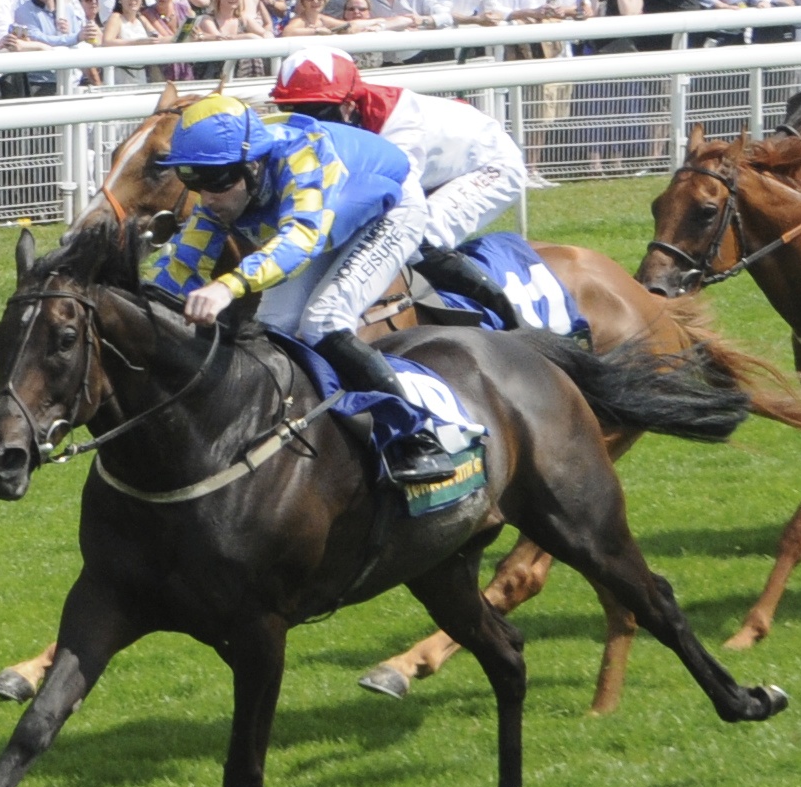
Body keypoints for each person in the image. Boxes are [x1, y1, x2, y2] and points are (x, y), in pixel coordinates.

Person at [135, 93, 457, 487]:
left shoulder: (301, 156)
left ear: (253, 166)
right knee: (275, 330)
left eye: (216, 181)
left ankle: (417, 437)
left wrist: (228, 287)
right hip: (322, 221)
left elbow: (301, 239)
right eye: (193, 180)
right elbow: (183, 266)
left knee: (323, 320)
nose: (208, 196)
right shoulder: (223, 189)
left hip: (388, 207)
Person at [267, 47, 536, 331]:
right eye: (291, 109)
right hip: (437, 167)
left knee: (418, 238)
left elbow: (398, 205)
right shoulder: (349, 112)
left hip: (491, 165)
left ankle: (516, 324)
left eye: (316, 111)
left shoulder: (398, 128)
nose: (307, 123)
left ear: (348, 104)